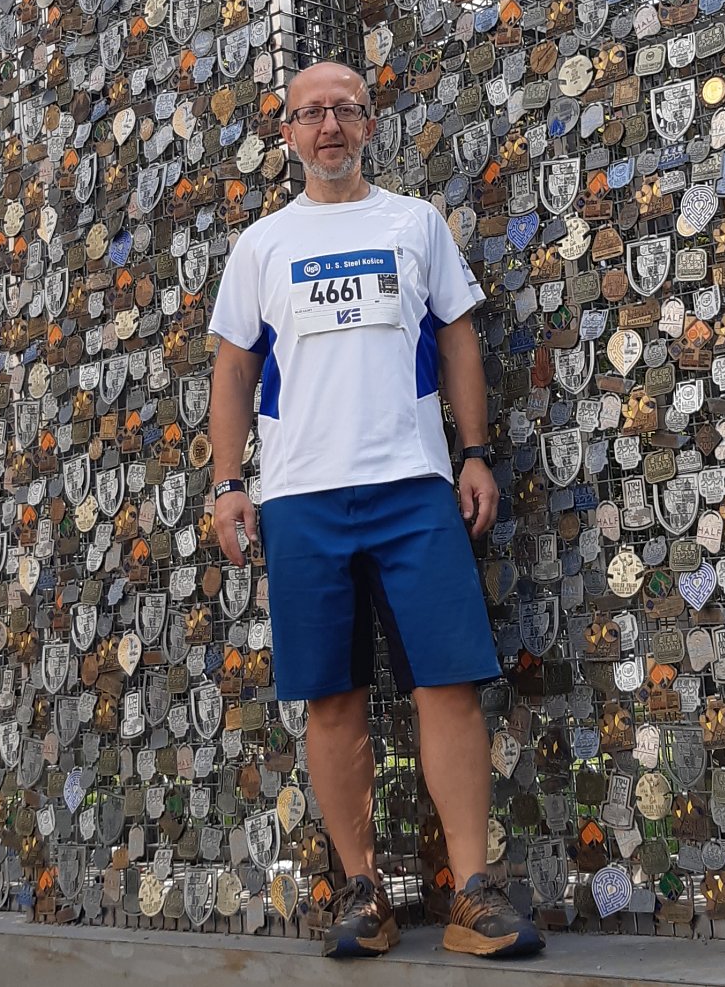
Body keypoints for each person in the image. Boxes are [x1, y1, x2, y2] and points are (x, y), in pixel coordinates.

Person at [208, 59, 543, 961]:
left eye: (345, 110)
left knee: (449, 684)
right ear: (287, 134)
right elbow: (233, 369)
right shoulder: (261, 246)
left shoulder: (415, 222)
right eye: (311, 113)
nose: (329, 126)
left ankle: (472, 890)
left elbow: (458, 339)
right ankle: (363, 890)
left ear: (368, 123)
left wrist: (474, 452)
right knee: (331, 698)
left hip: (413, 485)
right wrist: (229, 482)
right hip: (301, 497)